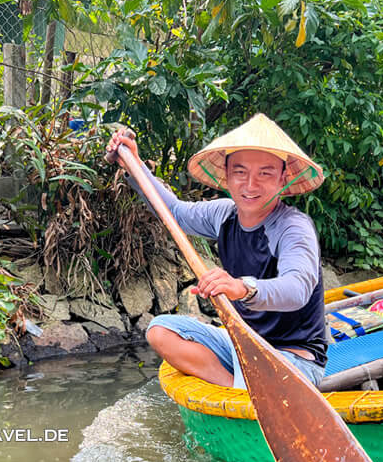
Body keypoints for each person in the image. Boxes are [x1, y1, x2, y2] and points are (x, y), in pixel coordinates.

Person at [105, 116, 328, 389]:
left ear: (283, 178)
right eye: (240, 172)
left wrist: (242, 288)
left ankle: (245, 392)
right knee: (160, 331)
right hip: (243, 347)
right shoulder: (224, 214)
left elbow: (297, 289)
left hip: (294, 359)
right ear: (227, 174)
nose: (250, 185)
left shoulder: (293, 227)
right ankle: (236, 392)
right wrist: (135, 165)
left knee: (276, 367)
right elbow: (174, 212)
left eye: (265, 173)